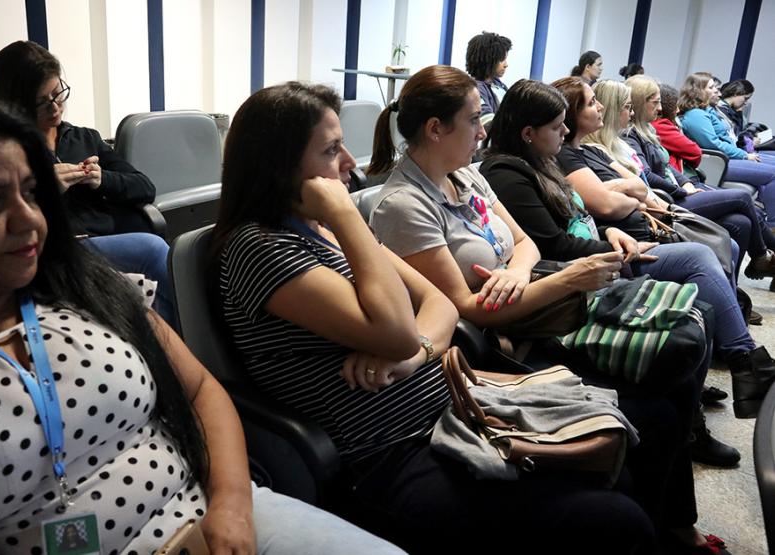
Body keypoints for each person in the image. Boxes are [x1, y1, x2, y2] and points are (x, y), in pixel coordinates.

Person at [0, 92, 405, 555]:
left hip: (213, 522)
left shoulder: (89, 288)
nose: (29, 219)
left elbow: (201, 390)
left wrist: (234, 505)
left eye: (30, 193)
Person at [214, 79, 656, 554]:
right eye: (332, 150)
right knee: (615, 520)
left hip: (452, 408)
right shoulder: (260, 248)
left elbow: (441, 306)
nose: (349, 165)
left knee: (618, 459)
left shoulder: (325, 230)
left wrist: (415, 355)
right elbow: (394, 329)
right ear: (280, 167)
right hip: (387, 453)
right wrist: (345, 218)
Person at [546, 75, 775, 419]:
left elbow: (642, 182)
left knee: (733, 229)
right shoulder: (568, 157)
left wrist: (633, 194)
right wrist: (631, 199)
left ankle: (736, 353)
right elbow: (611, 205)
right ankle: (745, 358)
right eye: (591, 103)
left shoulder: (591, 149)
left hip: (650, 220)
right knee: (714, 239)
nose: (600, 108)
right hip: (628, 243)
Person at [0, 40, 175, 325]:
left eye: (58, 93)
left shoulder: (84, 138)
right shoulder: (6, 152)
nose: (55, 108)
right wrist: (44, 190)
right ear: (15, 105)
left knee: (162, 267)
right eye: (42, 102)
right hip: (55, 249)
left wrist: (103, 179)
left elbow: (144, 187)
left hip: (104, 239)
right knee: (152, 251)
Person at [606, 76, 775, 281]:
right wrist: (682, 190)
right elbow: (649, 174)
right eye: (655, 102)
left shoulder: (648, 130)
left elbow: (667, 166)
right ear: (642, 102)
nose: (660, 108)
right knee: (743, 198)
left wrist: (685, 182)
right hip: (669, 200)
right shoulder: (630, 135)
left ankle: (735, 288)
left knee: (742, 222)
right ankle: (762, 256)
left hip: (682, 188)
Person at [678, 72, 775, 224]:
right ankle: (771, 225)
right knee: (773, 173)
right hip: (719, 162)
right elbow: (714, 144)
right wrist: (743, 154)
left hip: (726, 157)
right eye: (711, 88)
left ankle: (768, 218)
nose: (718, 92)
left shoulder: (706, 110)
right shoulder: (696, 115)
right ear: (698, 91)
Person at [652, 83, 702, 172]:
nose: (678, 110)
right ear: (667, 107)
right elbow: (695, 152)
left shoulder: (658, 125)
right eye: (675, 106)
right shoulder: (660, 126)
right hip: (679, 178)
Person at [464, 31, 512, 123]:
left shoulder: (499, 85)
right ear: (488, 60)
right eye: (502, 60)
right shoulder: (475, 88)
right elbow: (486, 121)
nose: (506, 65)